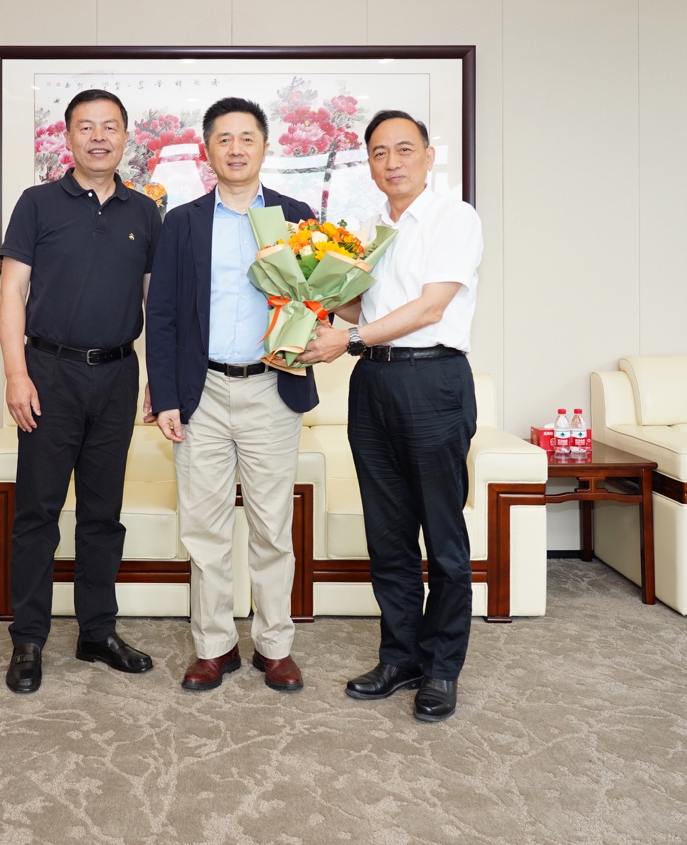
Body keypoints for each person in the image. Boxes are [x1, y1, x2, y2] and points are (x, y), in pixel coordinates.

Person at [297, 109, 483, 722]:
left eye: (404, 149)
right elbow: (363, 309)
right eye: (379, 153)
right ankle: (399, 657)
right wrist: (312, 288)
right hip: (373, 381)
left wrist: (347, 339)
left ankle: (442, 668)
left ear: (429, 156)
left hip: (433, 379)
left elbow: (430, 309)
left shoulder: (454, 218)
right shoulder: (372, 230)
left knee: (442, 535)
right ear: (370, 165)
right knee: (388, 533)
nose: (392, 162)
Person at [144, 97, 317, 693]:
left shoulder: (297, 218)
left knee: (272, 528)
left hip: (272, 389)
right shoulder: (183, 222)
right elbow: (162, 314)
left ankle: (275, 646)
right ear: (208, 150)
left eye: (248, 138)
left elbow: (317, 303)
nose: (236, 149)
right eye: (224, 139)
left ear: (265, 147)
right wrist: (166, 395)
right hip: (203, 393)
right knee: (205, 529)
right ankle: (214, 646)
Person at [0, 89, 162, 694]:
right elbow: (12, 293)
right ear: (67, 138)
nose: (98, 137)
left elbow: (155, 304)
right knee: (38, 513)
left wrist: (159, 378)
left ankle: (97, 632)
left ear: (125, 138)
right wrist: (16, 374)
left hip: (118, 375)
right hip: (49, 374)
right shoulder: (37, 203)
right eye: (86, 127)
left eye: (109, 127)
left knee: (102, 514)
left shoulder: (146, 212)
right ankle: (29, 640)